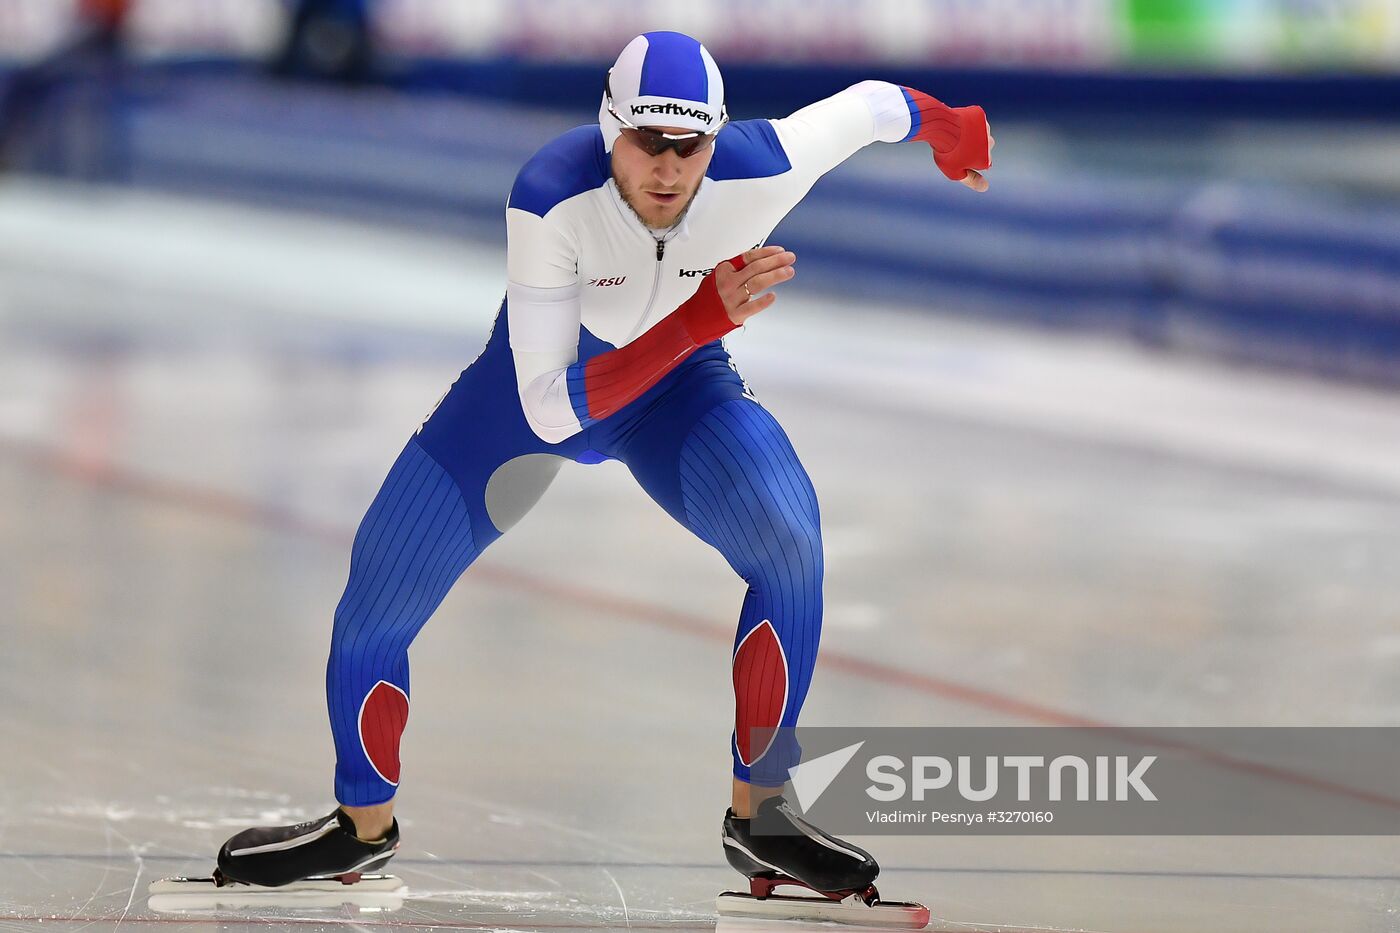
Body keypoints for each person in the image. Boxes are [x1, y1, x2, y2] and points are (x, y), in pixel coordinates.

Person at [213, 30, 991, 903]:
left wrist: (954, 129)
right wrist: (698, 319)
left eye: (688, 146)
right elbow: (549, 404)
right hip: (531, 395)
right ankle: (360, 826)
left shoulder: (762, 165)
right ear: (607, 129)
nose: (667, 167)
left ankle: (761, 812)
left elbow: (878, 106)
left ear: (717, 136)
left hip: (676, 394)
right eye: (644, 143)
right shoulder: (551, 192)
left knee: (790, 542)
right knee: (373, 605)